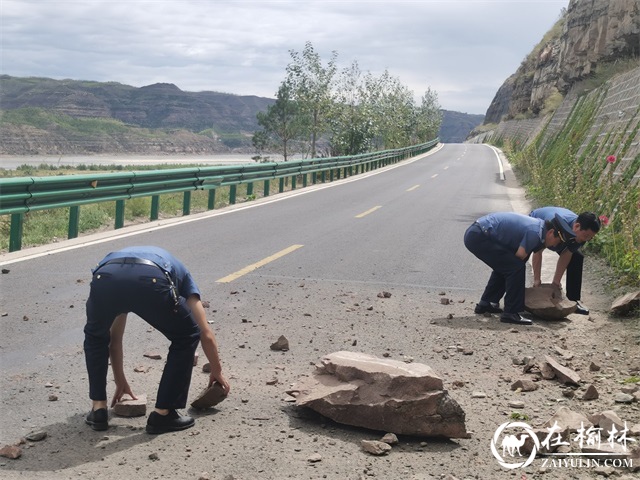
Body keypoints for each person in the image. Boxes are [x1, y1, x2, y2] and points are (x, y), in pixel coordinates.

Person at [83, 246, 230, 434]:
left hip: (105, 277)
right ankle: (163, 413)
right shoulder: (184, 277)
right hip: (150, 277)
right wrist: (216, 369)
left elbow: (114, 339)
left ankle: (98, 409)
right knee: (186, 335)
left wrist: (120, 380)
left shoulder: (126, 268)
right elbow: (205, 332)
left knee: (96, 337)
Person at [464, 212, 575, 325]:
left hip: (478, 233)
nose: (555, 246)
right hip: (478, 236)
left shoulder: (540, 229)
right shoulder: (535, 233)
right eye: (558, 241)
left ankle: (485, 303)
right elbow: (520, 255)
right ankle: (511, 313)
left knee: (507, 265)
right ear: (551, 233)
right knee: (515, 267)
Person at [529, 207, 600, 315]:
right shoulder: (554, 224)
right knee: (521, 256)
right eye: (586, 236)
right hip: (536, 223)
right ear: (577, 226)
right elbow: (538, 251)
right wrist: (536, 280)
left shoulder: (582, 234)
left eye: (590, 238)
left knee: (577, 257)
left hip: (565, 235)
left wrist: (555, 283)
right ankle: (515, 299)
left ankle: (573, 300)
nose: (586, 240)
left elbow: (567, 254)